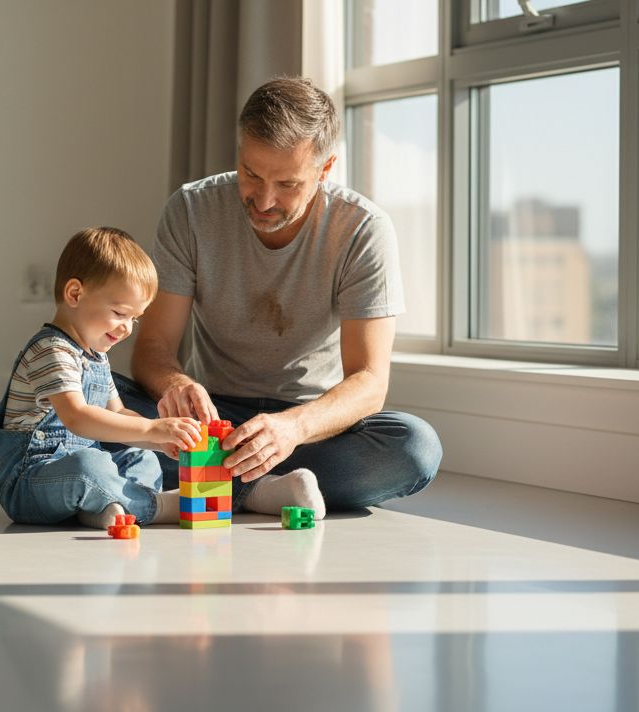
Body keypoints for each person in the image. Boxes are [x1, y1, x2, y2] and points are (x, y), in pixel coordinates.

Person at [115, 76, 443, 516]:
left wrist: (294, 427)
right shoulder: (191, 210)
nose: (264, 200)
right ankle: (265, 490)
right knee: (79, 394)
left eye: (287, 183)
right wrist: (178, 385)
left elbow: (369, 381)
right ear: (239, 152)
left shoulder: (363, 230)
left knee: (414, 447)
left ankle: (208, 482)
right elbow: (153, 346)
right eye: (251, 174)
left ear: (325, 170)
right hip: (207, 423)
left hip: (309, 428)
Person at [0, 227, 324, 528]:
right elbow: (77, 416)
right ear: (75, 294)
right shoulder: (52, 350)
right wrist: (150, 427)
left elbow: (118, 413)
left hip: (72, 471)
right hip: (31, 481)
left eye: (135, 318)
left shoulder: (95, 355)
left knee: (142, 457)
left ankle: (109, 508)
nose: (127, 328)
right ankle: (163, 506)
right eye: (120, 313)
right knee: (89, 466)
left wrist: (155, 441)